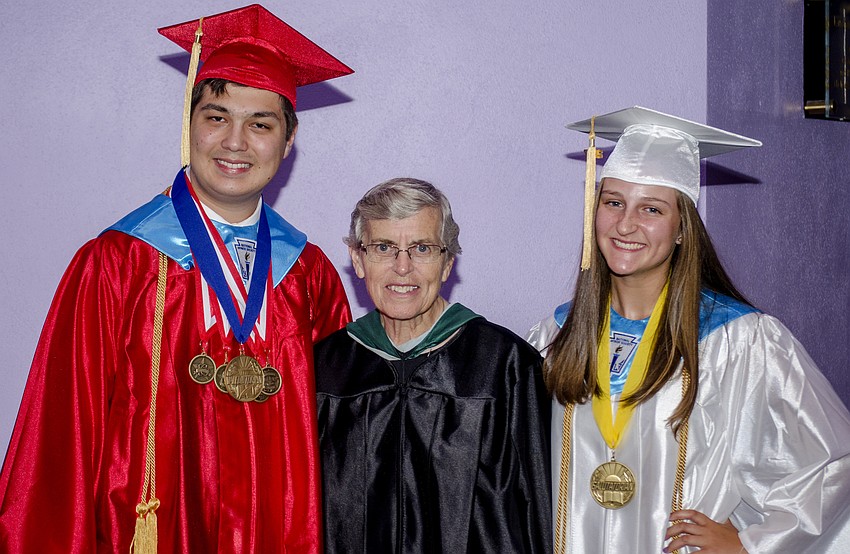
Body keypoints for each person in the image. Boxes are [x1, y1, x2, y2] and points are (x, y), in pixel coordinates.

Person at [0, 5, 352, 553]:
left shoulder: (309, 276)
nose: (235, 141)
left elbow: (343, 450)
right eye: (216, 117)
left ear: (288, 141)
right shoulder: (117, 263)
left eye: (261, 124)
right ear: (189, 125)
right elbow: (59, 444)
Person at [527, 106, 850, 553]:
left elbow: (831, 464)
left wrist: (751, 544)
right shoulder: (553, 338)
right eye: (613, 202)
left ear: (682, 229)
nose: (625, 224)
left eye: (652, 209)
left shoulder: (740, 342)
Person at [314, 178, 552, 552]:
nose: (402, 267)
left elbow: (539, 512)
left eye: (422, 248)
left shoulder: (505, 367)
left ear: (447, 263)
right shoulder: (324, 370)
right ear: (358, 260)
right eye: (383, 248)